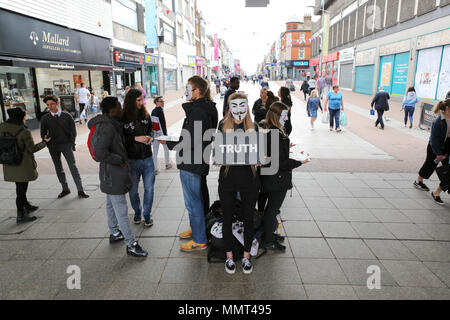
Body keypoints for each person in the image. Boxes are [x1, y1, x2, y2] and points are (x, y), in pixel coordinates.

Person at [88, 97, 148, 257]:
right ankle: (131, 244)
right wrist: (120, 160)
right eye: (119, 106)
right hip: (113, 174)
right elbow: (100, 153)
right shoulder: (107, 127)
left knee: (110, 204)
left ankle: (114, 232)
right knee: (121, 209)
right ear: (112, 109)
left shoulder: (110, 124)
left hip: (110, 174)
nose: (121, 109)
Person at [164, 76, 218, 251]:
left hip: (191, 161)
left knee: (193, 201)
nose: (185, 91)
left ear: (197, 91)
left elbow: (191, 140)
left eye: (188, 87)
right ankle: (198, 228)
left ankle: (200, 239)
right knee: (200, 196)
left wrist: (169, 143)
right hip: (199, 159)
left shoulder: (198, 111)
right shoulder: (207, 108)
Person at [219, 93, 260, 275]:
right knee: (227, 219)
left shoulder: (254, 127)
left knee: (248, 219)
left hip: (249, 181)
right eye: (234, 106)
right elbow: (217, 151)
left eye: (242, 105)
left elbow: (259, 153)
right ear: (229, 107)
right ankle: (229, 257)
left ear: (247, 107)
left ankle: (246, 257)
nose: (238, 110)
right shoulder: (222, 126)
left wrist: (260, 158)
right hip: (228, 180)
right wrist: (218, 156)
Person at [260, 102, 309, 251]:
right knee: (272, 209)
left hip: (272, 177)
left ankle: (268, 234)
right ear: (276, 116)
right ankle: (267, 240)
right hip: (277, 179)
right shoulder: (275, 133)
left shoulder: (273, 131)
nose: (286, 119)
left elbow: (273, 153)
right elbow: (281, 163)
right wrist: (300, 162)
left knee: (271, 209)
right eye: (284, 116)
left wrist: (287, 147)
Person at [0, 108, 51, 224]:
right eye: (24, 116)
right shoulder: (23, 131)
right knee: (21, 190)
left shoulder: (1, 126)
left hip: (9, 161)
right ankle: (20, 215)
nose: (25, 118)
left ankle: (27, 205)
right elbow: (31, 149)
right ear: (20, 117)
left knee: (20, 186)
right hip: (22, 164)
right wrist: (45, 142)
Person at [40, 96, 89, 199]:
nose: (50, 107)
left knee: (73, 167)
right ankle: (65, 188)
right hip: (53, 146)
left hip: (66, 145)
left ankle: (80, 190)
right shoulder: (45, 118)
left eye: (52, 104)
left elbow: (73, 131)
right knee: (58, 168)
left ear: (57, 103)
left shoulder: (67, 116)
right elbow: (42, 133)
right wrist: (47, 142)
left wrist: (71, 143)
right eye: (48, 105)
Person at [414, 99, 450, 200]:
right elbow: (434, 139)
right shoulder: (438, 121)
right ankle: (419, 181)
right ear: (447, 108)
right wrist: (438, 153)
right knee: (430, 164)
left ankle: (438, 191)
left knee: (447, 168)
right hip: (435, 146)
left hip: (447, 146)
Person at [151, 96, 172, 174]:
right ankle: (167, 164)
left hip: (156, 134)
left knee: (155, 152)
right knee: (166, 148)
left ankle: (155, 169)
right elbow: (157, 124)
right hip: (160, 134)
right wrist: (163, 135)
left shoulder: (154, 111)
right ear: (156, 102)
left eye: (163, 101)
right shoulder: (158, 111)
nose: (163, 103)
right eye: (161, 101)